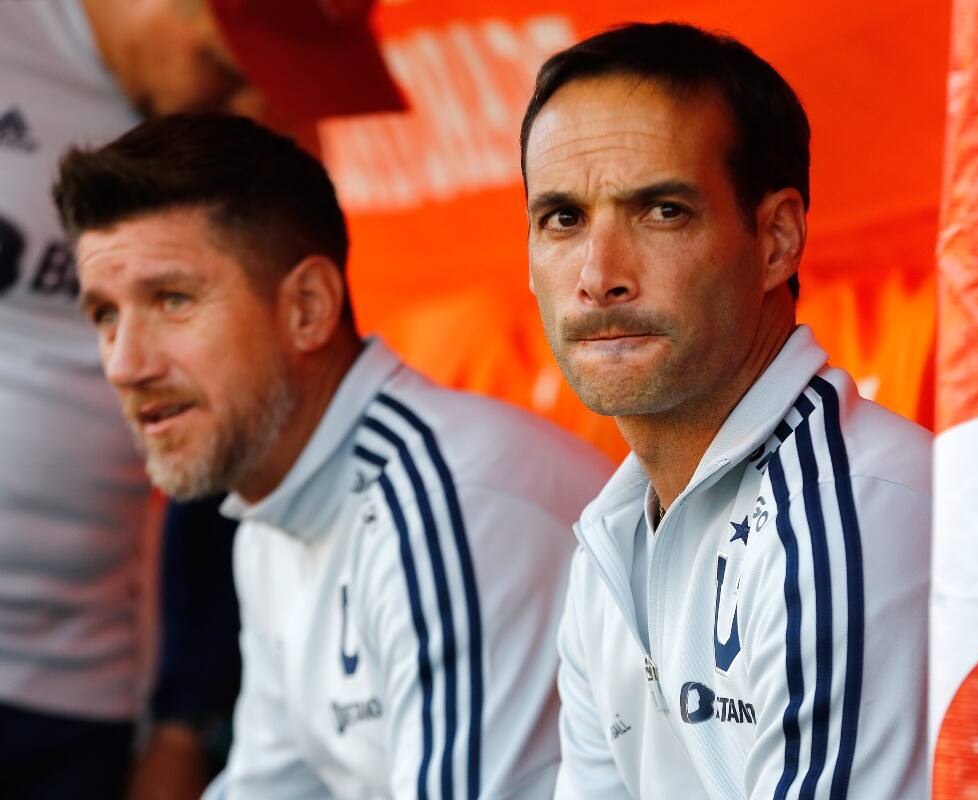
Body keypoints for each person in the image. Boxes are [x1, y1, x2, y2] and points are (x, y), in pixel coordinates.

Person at [55, 112, 612, 799]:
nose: (124, 363)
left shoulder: (448, 506)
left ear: (309, 307)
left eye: (171, 300)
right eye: (105, 314)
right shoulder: (272, 517)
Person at [0, 2, 401, 796]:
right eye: (230, 64)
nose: (257, 104)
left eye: (288, 81)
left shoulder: (250, 135)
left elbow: (241, 438)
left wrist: (185, 718)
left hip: (81, 688)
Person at [522, 22, 932, 798]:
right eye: (563, 219)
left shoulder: (848, 515)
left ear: (777, 239)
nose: (598, 275)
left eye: (661, 211)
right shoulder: (613, 535)